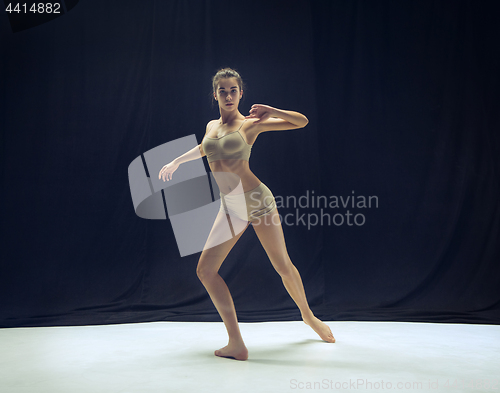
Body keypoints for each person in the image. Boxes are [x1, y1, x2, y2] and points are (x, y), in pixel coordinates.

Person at [159, 68, 335, 361]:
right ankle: (236, 343)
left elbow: (301, 122)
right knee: (205, 270)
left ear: (241, 94)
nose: (228, 96)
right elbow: (205, 148)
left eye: (233, 90)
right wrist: (177, 161)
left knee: (282, 266)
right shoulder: (211, 126)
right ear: (214, 95)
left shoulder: (251, 124)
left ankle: (309, 316)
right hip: (231, 207)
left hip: (257, 201)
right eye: (223, 91)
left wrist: (271, 110)